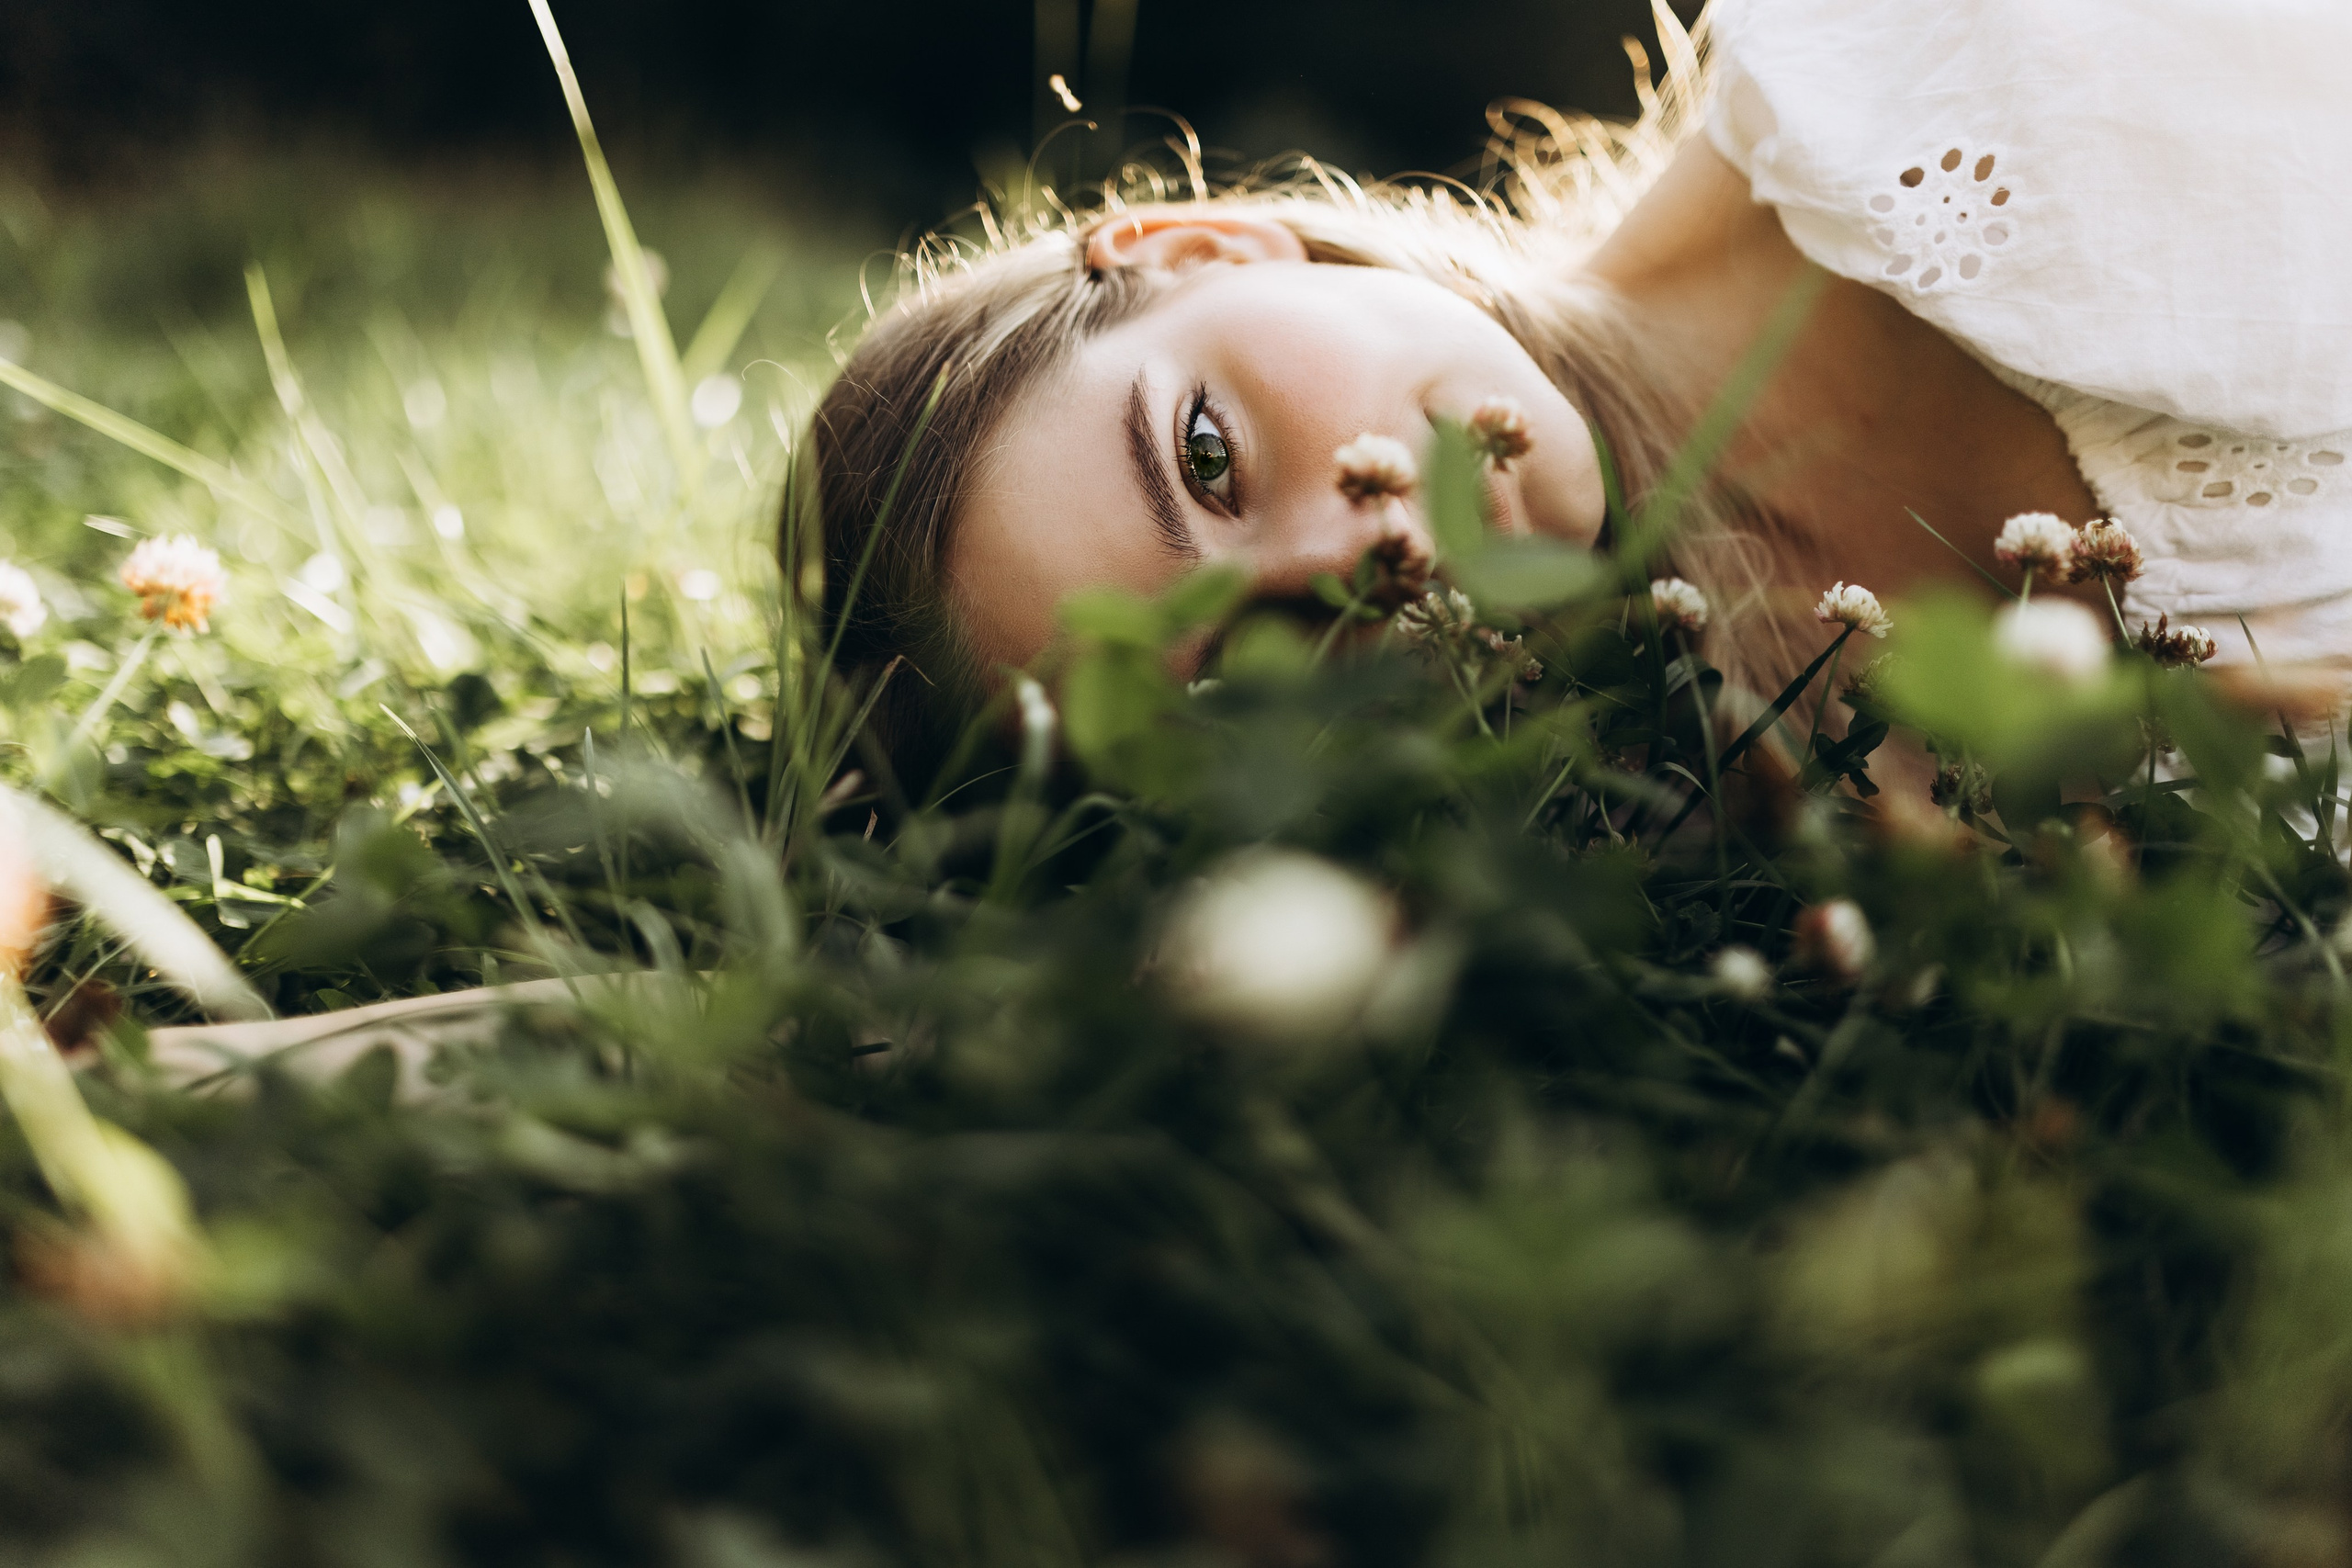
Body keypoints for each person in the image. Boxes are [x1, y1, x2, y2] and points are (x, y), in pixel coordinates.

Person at [807, 0, 2352, 790]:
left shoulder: (1957, 60)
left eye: (1205, 458)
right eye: (1234, 683)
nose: (1345, 566)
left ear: (1199, 244)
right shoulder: (1798, 886)